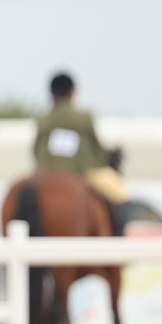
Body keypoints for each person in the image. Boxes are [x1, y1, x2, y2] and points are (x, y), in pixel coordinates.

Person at [33, 72, 130, 230]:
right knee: (121, 193)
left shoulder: (44, 119)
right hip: (83, 172)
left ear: (51, 94)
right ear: (72, 92)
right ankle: (118, 238)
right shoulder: (84, 117)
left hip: (45, 172)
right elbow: (97, 150)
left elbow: (35, 150)